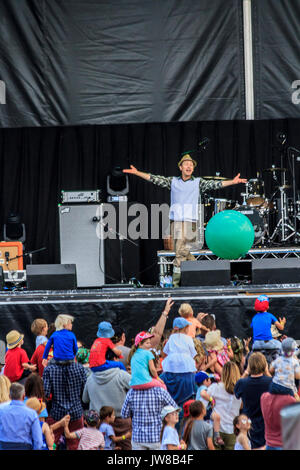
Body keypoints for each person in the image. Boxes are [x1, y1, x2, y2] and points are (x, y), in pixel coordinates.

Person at [123, 157, 247, 287]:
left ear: (193, 168)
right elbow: (154, 178)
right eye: (186, 164)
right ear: (180, 167)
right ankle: (201, 274)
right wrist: (137, 173)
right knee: (184, 252)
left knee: (179, 254)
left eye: (191, 165)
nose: (189, 166)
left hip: (190, 222)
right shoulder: (173, 181)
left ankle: (176, 285)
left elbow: (215, 184)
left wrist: (232, 182)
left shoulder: (198, 182)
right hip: (175, 222)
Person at [82, 358, 132, 450]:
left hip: (99, 422)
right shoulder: (122, 375)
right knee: (126, 447)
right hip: (122, 421)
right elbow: (136, 389)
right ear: (114, 360)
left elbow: (85, 399)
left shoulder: (90, 378)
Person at [43, 357, 87, 450]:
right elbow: (84, 392)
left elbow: (46, 393)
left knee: (50, 442)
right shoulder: (80, 368)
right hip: (76, 412)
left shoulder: (49, 369)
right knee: (75, 444)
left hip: (56, 412)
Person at [121, 384, 178, 450]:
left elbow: (124, 414)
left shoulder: (131, 392)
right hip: (156, 436)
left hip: (138, 437)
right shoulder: (160, 391)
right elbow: (174, 408)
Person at [234, 351, 272, 449]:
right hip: (266, 423)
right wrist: (267, 372)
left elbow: (236, 389)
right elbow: (277, 386)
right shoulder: (270, 382)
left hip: (248, 423)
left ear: (249, 365)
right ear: (264, 365)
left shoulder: (242, 383)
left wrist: (246, 371)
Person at [160, 317, 197, 407]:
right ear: (185, 328)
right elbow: (193, 353)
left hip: (171, 369)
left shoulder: (171, 338)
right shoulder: (188, 339)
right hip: (186, 370)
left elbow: (164, 353)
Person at [207, 361, 242, 450]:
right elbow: (241, 407)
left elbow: (203, 404)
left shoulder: (215, 388)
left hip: (216, 429)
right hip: (232, 430)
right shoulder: (240, 391)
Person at [0, 382, 43, 450]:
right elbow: (38, 441)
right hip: (24, 446)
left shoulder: (1, 410)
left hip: (4, 446)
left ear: (9, 396)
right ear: (23, 396)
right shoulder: (32, 414)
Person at [195, 371, 224, 446]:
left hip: (203, 411)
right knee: (217, 417)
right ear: (205, 381)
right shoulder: (203, 388)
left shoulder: (199, 388)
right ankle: (217, 436)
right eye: (209, 379)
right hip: (203, 411)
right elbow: (203, 394)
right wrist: (211, 400)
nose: (211, 381)